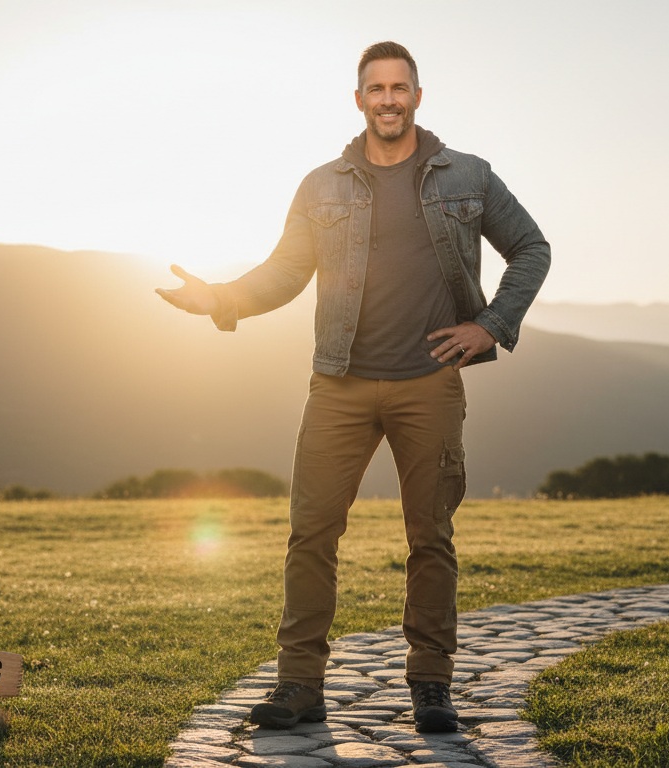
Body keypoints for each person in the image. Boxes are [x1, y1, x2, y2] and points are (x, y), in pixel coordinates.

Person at [156, 41, 549, 733]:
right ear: (359, 98)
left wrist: (491, 325)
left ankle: (431, 685)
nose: (389, 99)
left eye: (401, 88)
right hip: (337, 384)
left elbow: (532, 248)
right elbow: (284, 274)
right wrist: (219, 298)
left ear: (418, 98)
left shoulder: (471, 176)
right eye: (377, 88)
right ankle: (299, 687)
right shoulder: (322, 186)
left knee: (430, 537)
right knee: (310, 533)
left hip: (429, 383)